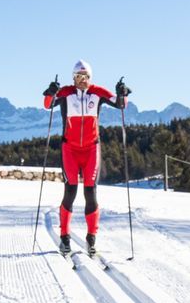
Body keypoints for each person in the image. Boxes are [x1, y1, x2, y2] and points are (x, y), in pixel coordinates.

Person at [42, 62, 130, 256]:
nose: (83, 81)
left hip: (91, 149)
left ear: (90, 77)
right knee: (70, 192)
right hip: (69, 150)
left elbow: (120, 104)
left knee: (91, 193)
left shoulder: (98, 92)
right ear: (73, 78)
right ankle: (65, 238)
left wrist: (122, 93)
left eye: (86, 77)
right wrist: (51, 91)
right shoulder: (65, 93)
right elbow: (48, 105)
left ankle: (91, 239)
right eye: (79, 77)